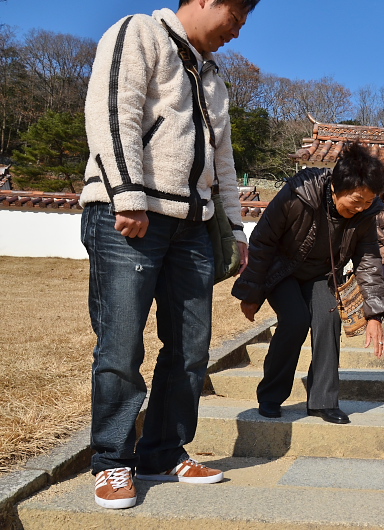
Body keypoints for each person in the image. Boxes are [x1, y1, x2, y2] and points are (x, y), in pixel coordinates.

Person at [80, 0, 257, 510]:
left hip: (193, 225)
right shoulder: (140, 32)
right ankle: (112, 459)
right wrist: (128, 194)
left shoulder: (213, 78)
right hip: (132, 213)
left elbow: (223, 160)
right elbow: (113, 110)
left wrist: (235, 227)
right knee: (121, 344)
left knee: (191, 347)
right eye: (234, 18)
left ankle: (163, 450)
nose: (236, 32)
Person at [232, 142, 384, 426]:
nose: (361, 208)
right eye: (357, 200)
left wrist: (375, 314)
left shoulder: (366, 215)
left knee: (329, 319)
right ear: (337, 186)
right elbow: (263, 241)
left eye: (368, 202)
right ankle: (271, 395)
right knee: (295, 320)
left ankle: (323, 401)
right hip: (283, 270)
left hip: (322, 274)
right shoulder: (298, 194)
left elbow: (368, 260)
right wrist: (252, 292)